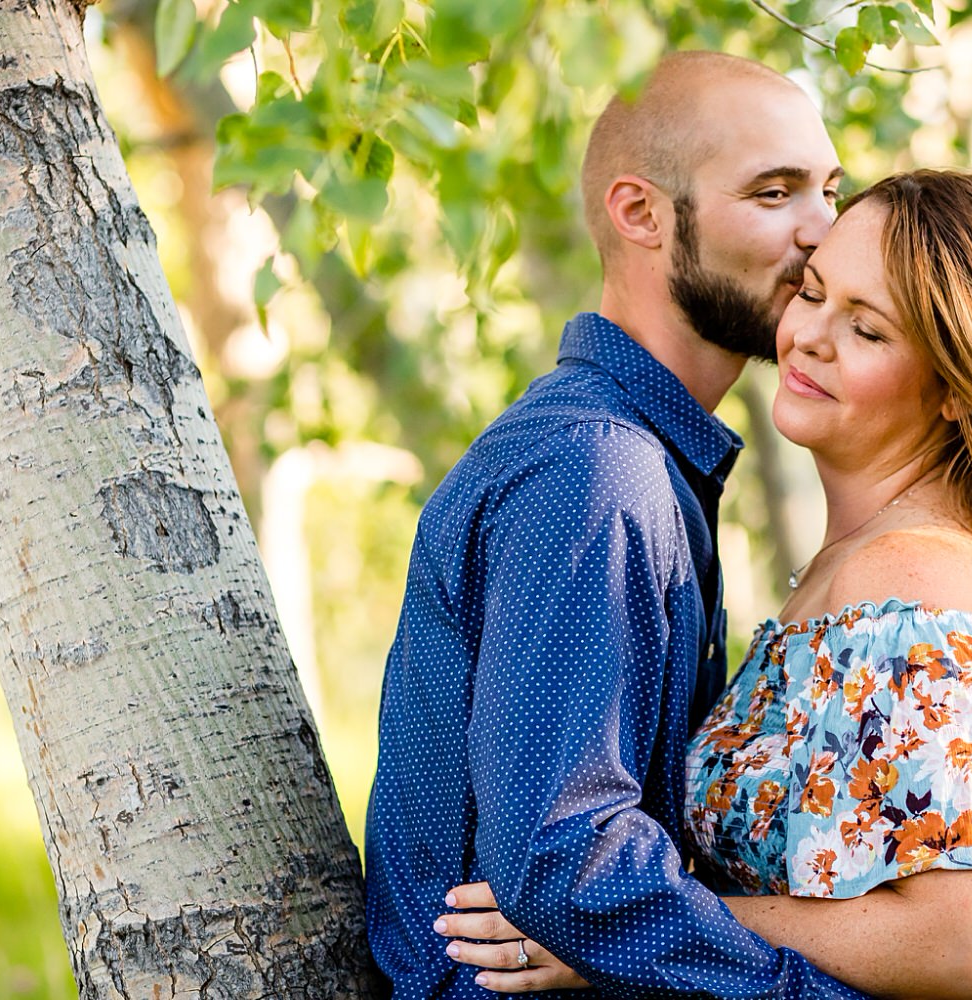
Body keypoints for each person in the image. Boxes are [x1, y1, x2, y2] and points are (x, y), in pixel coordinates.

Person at [438, 170, 972, 999]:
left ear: (956, 388)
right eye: (811, 293)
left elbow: (959, 942)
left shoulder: (919, 583)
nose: (809, 335)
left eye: (868, 330)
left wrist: (620, 932)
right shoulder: (856, 568)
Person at [363, 50, 869, 997]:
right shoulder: (599, 473)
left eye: (831, 192)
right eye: (774, 194)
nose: (824, 235)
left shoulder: (636, 457)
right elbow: (565, 862)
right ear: (640, 214)